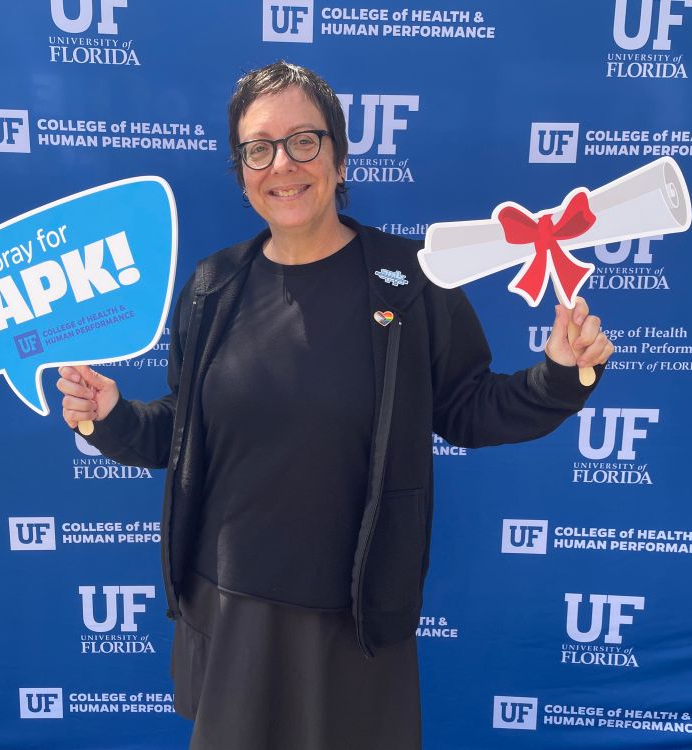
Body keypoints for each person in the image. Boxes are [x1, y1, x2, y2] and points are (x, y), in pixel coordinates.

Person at [57, 61, 613, 750]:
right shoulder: (211, 287)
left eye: (303, 141)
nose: (281, 165)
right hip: (230, 611)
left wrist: (560, 378)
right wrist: (110, 414)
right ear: (241, 170)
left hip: (354, 618)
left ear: (340, 155)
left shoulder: (411, 282)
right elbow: (181, 431)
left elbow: (470, 408)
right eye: (258, 148)